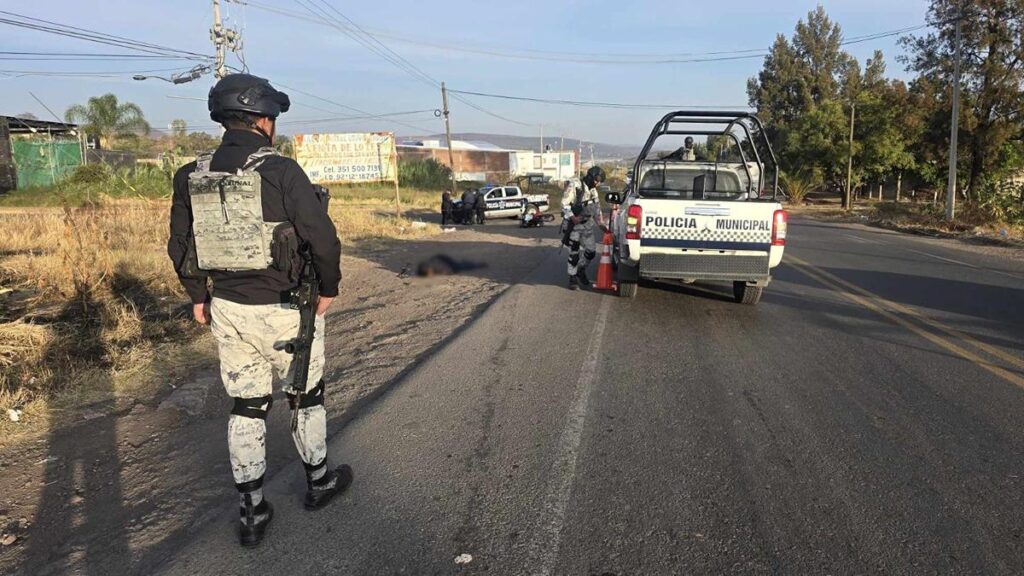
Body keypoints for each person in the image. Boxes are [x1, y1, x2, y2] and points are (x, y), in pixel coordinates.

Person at [167, 73, 352, 548]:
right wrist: (328, 288)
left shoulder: (191, 174)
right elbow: (323, 238)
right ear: (263, 120)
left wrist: (197, 297)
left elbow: (180, 244)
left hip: (228, 308)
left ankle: (251, 510)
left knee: (247, 406)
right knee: (306, 398)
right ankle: (319, 483)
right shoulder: (282, 171)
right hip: (288, 310)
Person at [561, 166, 607, 290]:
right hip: (574, 225)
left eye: (599, 182)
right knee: (574, 252)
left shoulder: (593, 191)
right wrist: (572, 217)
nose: (597, 183)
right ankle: (572, 277)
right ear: (591, 177)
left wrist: (601, 224)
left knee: (591, 252)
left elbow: (597, 208)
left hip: (586, 225)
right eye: (596, 180)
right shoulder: (575, 185)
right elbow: (564, 204)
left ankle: (581, 269)